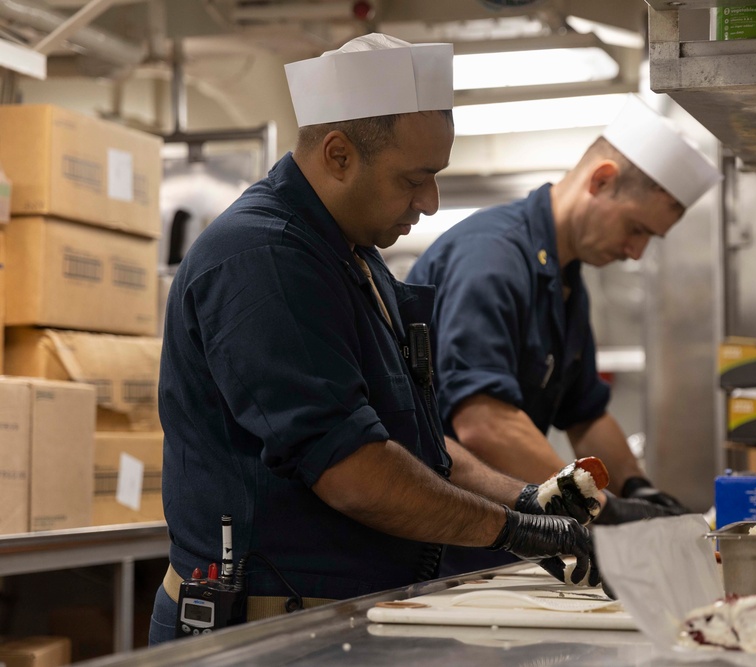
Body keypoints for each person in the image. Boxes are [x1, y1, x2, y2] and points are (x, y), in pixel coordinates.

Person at [149, 33, 601, 646]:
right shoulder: (263, 261)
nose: (432, 202)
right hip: (264, 633)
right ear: (337, 155)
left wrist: (530, 501)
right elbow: (354, 470)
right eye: (415, 179)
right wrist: (511, 530)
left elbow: (412, 445)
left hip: (337, 622)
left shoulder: (356, 259)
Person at [407, 94, 723, 576]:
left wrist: (640, 491)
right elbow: (483, 422)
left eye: (649, 239)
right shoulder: (492, 259)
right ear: (601, 180)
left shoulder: (567, 280)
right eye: (636, 228)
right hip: (442, 545)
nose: (636, 252)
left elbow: (586, 414)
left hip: (496, 543)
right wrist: (599, 509)